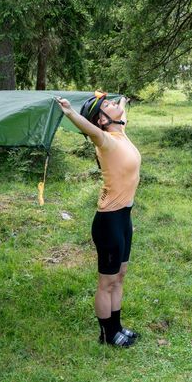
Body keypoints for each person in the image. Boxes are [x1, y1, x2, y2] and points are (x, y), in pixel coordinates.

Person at [55, 92, 142, 347]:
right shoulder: (104, 140)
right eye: (108, 105)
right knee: (107, 282)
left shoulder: (120, 133)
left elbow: (121, 111)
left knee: (120, 275)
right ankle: (106, 335)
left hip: (124, 219)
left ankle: (117, 328)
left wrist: (123, 100)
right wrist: (70, 112)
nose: (115, 105)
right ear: (101, 120)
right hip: (109, 222)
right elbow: (90, 130)